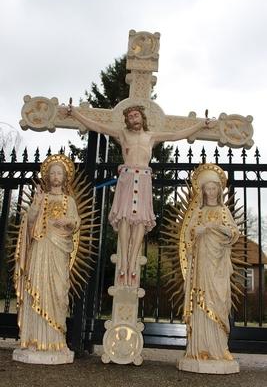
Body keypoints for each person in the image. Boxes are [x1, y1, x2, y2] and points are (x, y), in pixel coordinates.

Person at [68, 104, 212, 286]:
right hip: (127, 178)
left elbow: (177, 135)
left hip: (143, 178)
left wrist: (200, 125)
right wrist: (76, 114)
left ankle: (132, 265)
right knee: (125, 220)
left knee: (141, 222)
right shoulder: (122, 134)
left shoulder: (151, 136)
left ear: (142, 118)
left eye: (135, 115)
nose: (133, 119)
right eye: (129, 117)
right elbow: (97, 126)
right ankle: (124, 263)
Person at [13, 154, 80, 364]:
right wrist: (36, 205)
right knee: (37, 290)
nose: (56, 176)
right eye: (52, 173)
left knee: (58, 293)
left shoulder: (69, 201)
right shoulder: (41, 197)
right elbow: (30, 222)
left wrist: (67, 222)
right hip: (40, 248)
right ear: (47, 176)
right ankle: (34, 339)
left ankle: (55, 341)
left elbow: (75, 222)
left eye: (59, 172)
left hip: (59, 251)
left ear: (65, 176)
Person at [181, 164, 239, 362]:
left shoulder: (223, 211)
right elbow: (188, 236)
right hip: (202, 263)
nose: (211, 192)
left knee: (221, 301)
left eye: (214, 188)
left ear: (219, 190)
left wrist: (216, 227)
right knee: (201, 301)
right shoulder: (198, 212)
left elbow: (234, 233)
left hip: (219, 265)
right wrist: (196, 233)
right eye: (207, 188)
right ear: (203, 191)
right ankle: (201, 348)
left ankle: (221, 348)